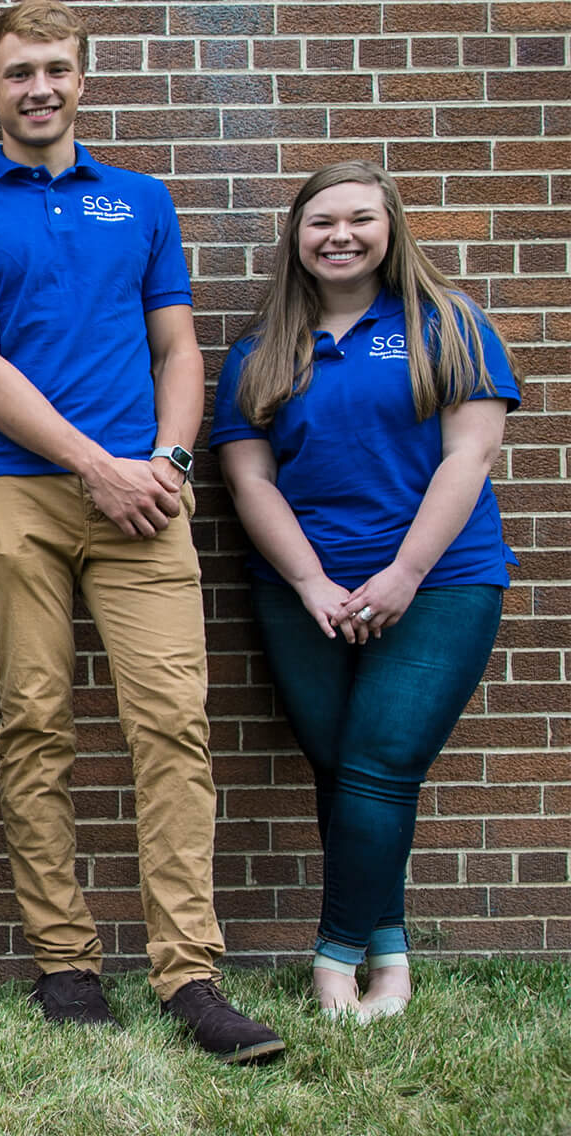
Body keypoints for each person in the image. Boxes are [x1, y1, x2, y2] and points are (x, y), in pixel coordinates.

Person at [0, 0, 285, 1064]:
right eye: (17, 72)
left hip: (146, 497)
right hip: (12, 495)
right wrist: (96, 467)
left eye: (55, 69)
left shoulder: (141, 200)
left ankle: (189, 975)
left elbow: (178, 350)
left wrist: (167, 463)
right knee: (36, 723)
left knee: (171, 723)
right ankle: (65, 963)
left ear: (82, 78)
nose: (38, 88)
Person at [210, 161, 519, 1022]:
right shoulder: (261, 350)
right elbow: (250, 478)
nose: (339, 236)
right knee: (346, 771)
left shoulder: (448, 324)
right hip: (301, 594)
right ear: (296, 237)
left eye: (359, 219)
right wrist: (311, 580)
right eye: (321, 222)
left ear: (391, 229)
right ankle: (389, 954)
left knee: (382, 764)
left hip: (441, 584)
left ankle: (336, 959)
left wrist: (404, 573)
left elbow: (470, 455)